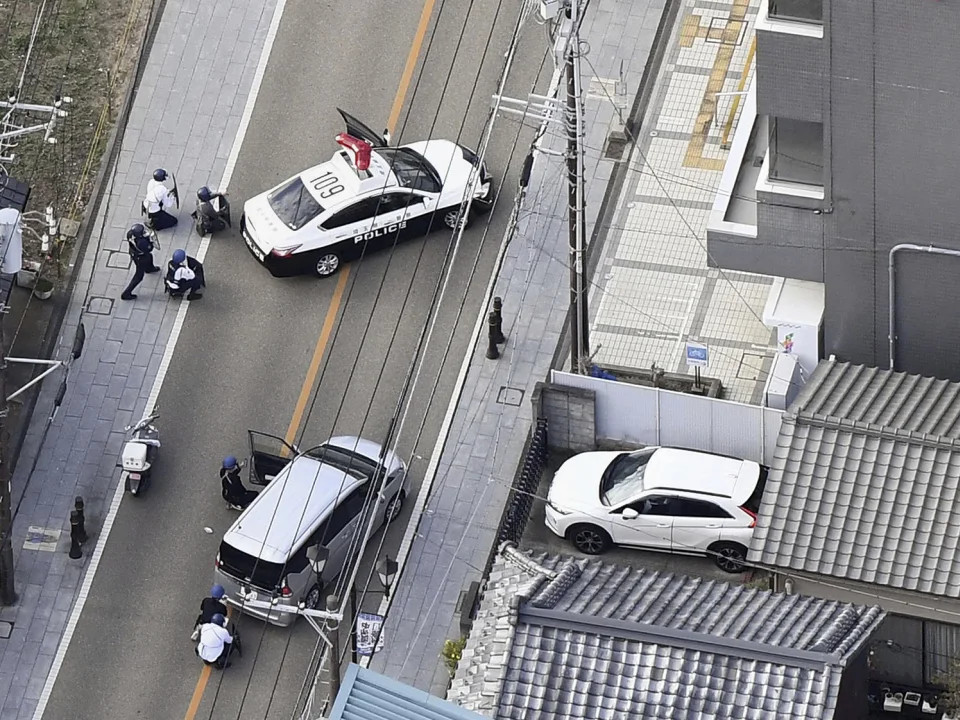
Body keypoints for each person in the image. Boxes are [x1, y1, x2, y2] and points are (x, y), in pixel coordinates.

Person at [120, 223, 160, 301]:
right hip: (140, 257)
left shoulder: (130, 234)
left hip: (134, 252)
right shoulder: (142, 243)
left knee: (149, 257)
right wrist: (150, 241)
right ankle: (126, 294)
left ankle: (149, 268)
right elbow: (149, 248)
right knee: (139, 276)